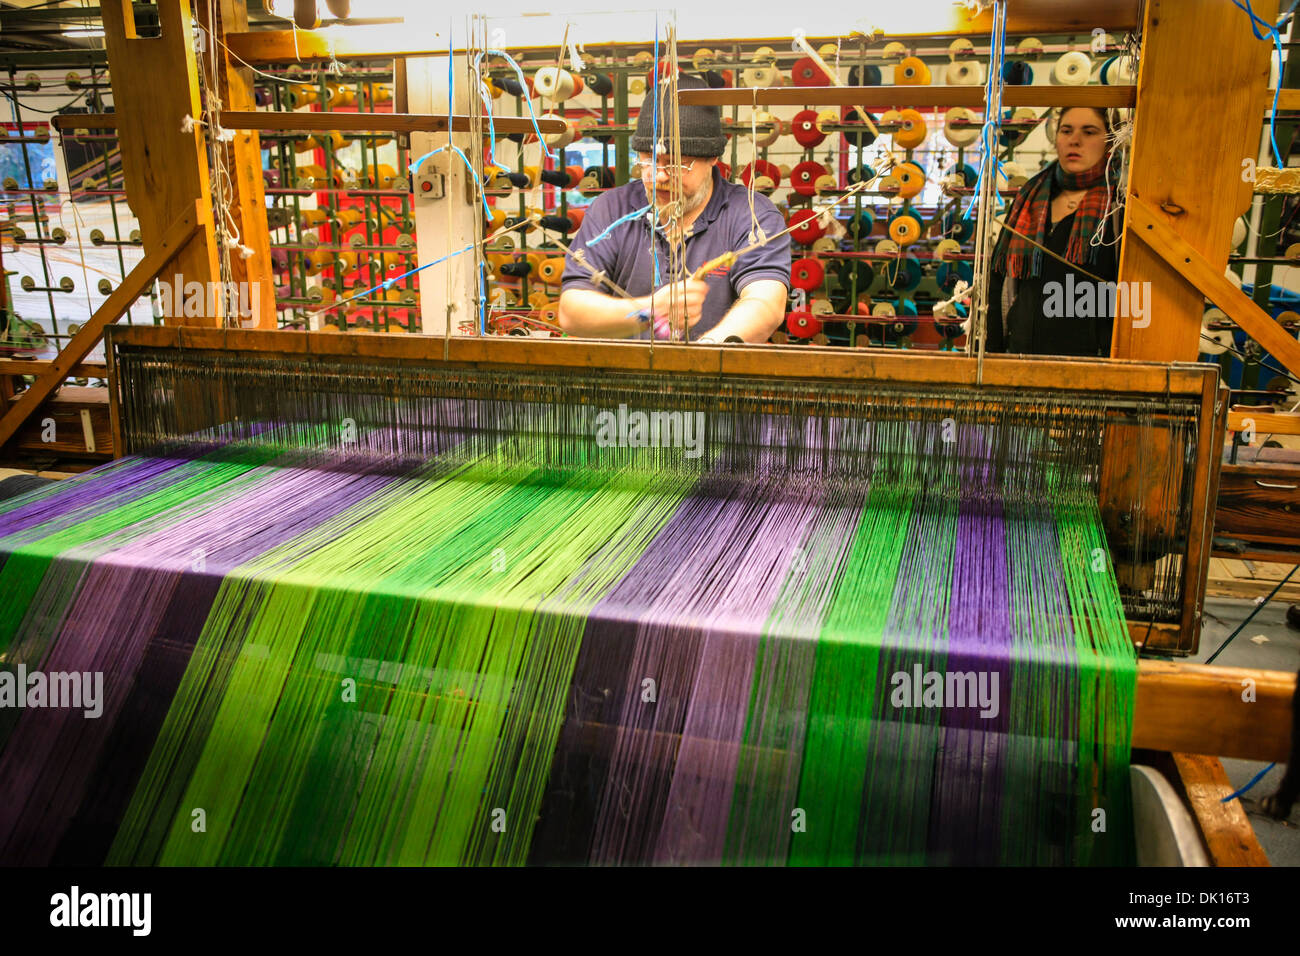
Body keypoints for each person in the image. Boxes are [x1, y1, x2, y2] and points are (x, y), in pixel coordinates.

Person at [557, 75, 790, 343]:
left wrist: (701, 358)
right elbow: (572, 312)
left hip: (713, 377)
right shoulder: (611, 210)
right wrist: (650, 310)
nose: (659, 177)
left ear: (713, 158)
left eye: (677, 164)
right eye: (649, 161)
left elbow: (765, 304)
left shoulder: (751, 214)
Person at [985, 106, 1125, 356]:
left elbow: (1135, 299)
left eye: (1089, 132)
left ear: (1110, 141)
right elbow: (998, 283)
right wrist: (993, 353)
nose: (1075, 140)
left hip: (1090, 368)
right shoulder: (1030, 197)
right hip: (1020, 359)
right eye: (1066, 130)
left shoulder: (1119, 208)